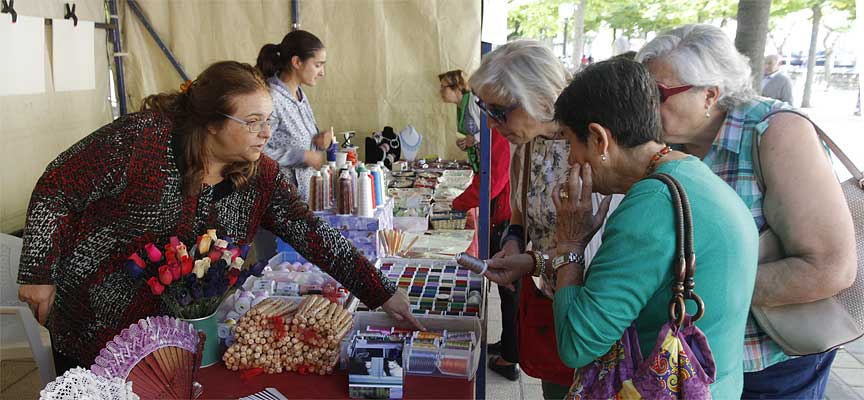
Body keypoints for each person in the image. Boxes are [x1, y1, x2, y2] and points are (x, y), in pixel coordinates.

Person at [16, 61, 421, 374]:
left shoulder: (259, 174)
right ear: (210, 123)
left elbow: (311, 233)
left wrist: (381, 291)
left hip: (173, 333)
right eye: (253, 122)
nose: (265, 133)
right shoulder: (143, 139)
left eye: (269, 121)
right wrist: (38, 272)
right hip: (94, 319)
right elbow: (57, 187)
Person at [483, 58, 760, 399]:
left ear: (599, 140)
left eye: (571, 143)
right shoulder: (692, 175)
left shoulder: (650, 207)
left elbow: (576, 343)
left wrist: (570, 243)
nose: (570, 160)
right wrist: (537, 261)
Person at [637, 24, 857, 399]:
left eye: (655, 95)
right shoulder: (671, 142)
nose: (642, 108)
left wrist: (688, 292)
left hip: (773, 364)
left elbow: (830, 269)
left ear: (709, 95)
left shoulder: (775, 132)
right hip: (695, 361)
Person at [469, 39, 620, 393]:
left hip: (594, 319)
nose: (491, 123)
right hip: (553, 308)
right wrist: (512, 240)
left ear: (540, 97)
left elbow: (597, 252)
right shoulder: (529, 141)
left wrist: (530, 262)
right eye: (484, 108)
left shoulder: (592, 149)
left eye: (499, 110)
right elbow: (521, 212)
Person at [255, 30, 331, 201]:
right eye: (318, 65)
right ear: (297, 62)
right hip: (278, 206)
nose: (322, 72)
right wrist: (302, 156)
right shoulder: (271, 98)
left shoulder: (299, 95)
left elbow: (298, 139)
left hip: (302, 201)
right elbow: (256, 152)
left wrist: (319, 141)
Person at [438, 70, 482, 173]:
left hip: (491, 160)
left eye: (443, 87)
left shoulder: (474, 102)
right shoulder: (460, 107)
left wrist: (475, 138)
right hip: (478, 162)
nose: (440, 91)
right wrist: (465, 143)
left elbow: (493, 129)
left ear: (457, 88)